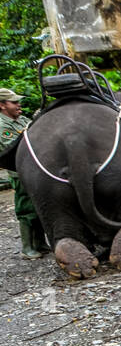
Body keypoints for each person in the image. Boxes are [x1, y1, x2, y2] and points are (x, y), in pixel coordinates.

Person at [0, 88, 50, 259]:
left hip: (33, 168)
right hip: (19, 171)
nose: (18, 105)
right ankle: (27, 248)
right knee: (26, 209)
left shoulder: (21, 119)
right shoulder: (2, 125)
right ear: (2, 105)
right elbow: (12, 146)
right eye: (14, 102)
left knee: (37, 207)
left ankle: (40, 243)